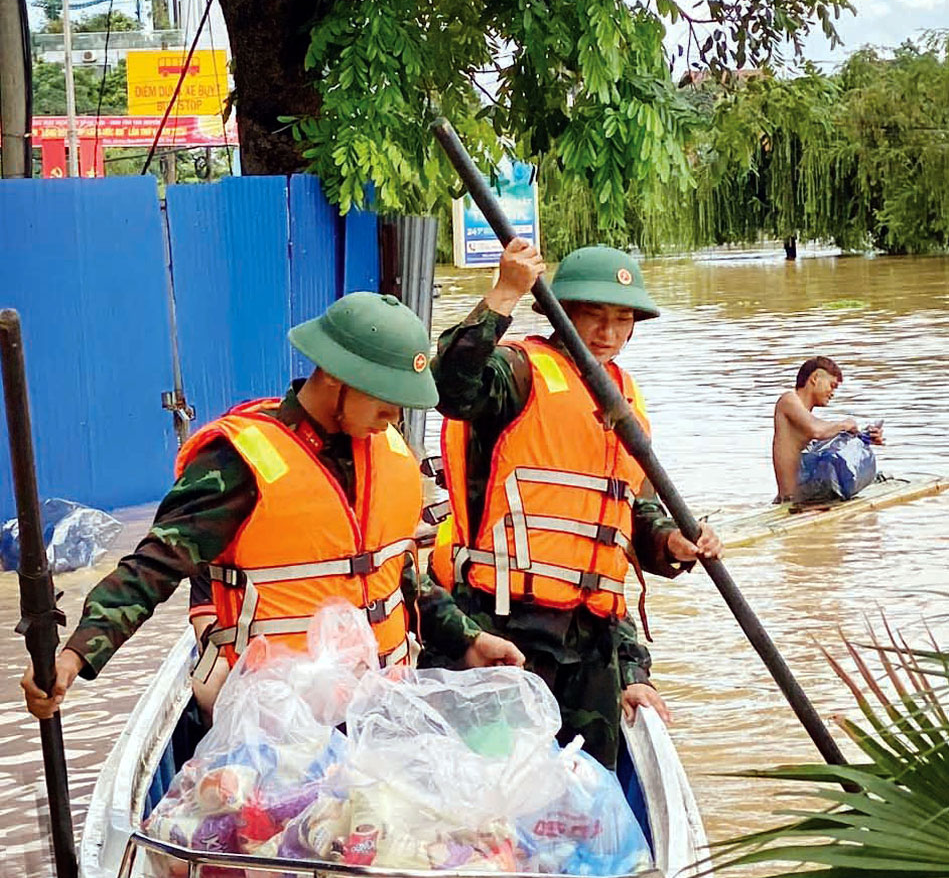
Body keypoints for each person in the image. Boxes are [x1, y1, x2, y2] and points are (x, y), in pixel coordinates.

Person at [22, 292, 522, 720]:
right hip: (276, 727)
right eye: (385, 398)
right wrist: (74, 655)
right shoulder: (241, 461)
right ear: (334, 377)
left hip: (378, 713)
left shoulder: (386, 451)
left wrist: (469, 640)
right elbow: (152, 567)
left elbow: (399, 575)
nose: (394, 415)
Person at [425, 239, 721, 772]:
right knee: (491, 784)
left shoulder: (625, 399)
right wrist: (504, 292)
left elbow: (634, 509)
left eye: (622, 320)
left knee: (586, 793)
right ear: (559, 314)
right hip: (504, 622)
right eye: (594, 317)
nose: (608, 334)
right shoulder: (517, 373)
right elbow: (447, 386)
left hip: (591, 638)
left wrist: (671, 542)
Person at [773, 356, 884, 502]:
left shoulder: (804, 416)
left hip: (809, 496)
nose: (832, 393)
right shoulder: (788, 400)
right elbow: (817, 430)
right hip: (791, 500)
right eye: (832, 385)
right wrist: (846, 424)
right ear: (815, 378)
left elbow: (827, 444)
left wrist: (863, 437)